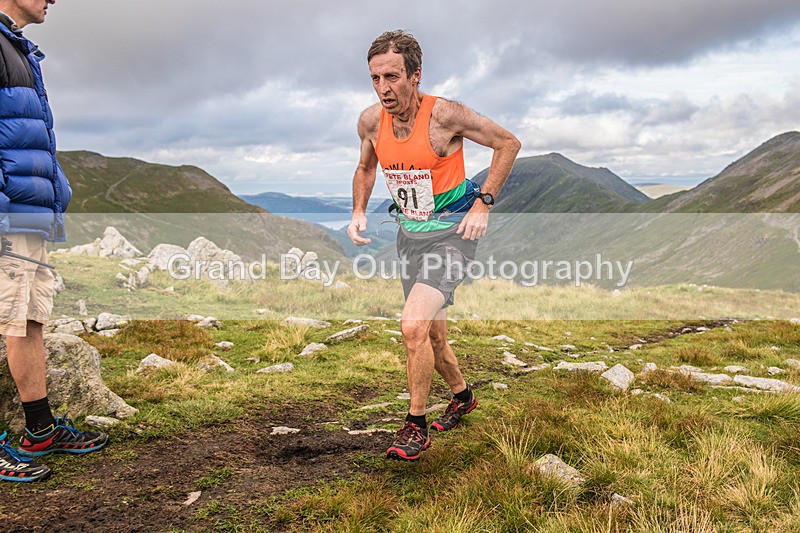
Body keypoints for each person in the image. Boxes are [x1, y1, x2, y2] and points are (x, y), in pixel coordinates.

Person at [348, 30, 521, 461]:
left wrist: (483, 204)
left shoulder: (445, 115)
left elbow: (507, 143)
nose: (383, 88)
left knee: (411, 326)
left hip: (452, 238)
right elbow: (366, 168)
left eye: (392, 76)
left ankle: (415, 426)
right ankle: (463, 396)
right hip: (411, 238)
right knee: (434, 337)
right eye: (374, 78)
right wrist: (358, 211)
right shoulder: (370, 121)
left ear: (415, 75)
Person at [0, 0, 108, 483]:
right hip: (9, 212)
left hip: (27, 214)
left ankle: (39, 429)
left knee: (27, 319)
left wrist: (55, 192)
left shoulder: (17, 47)